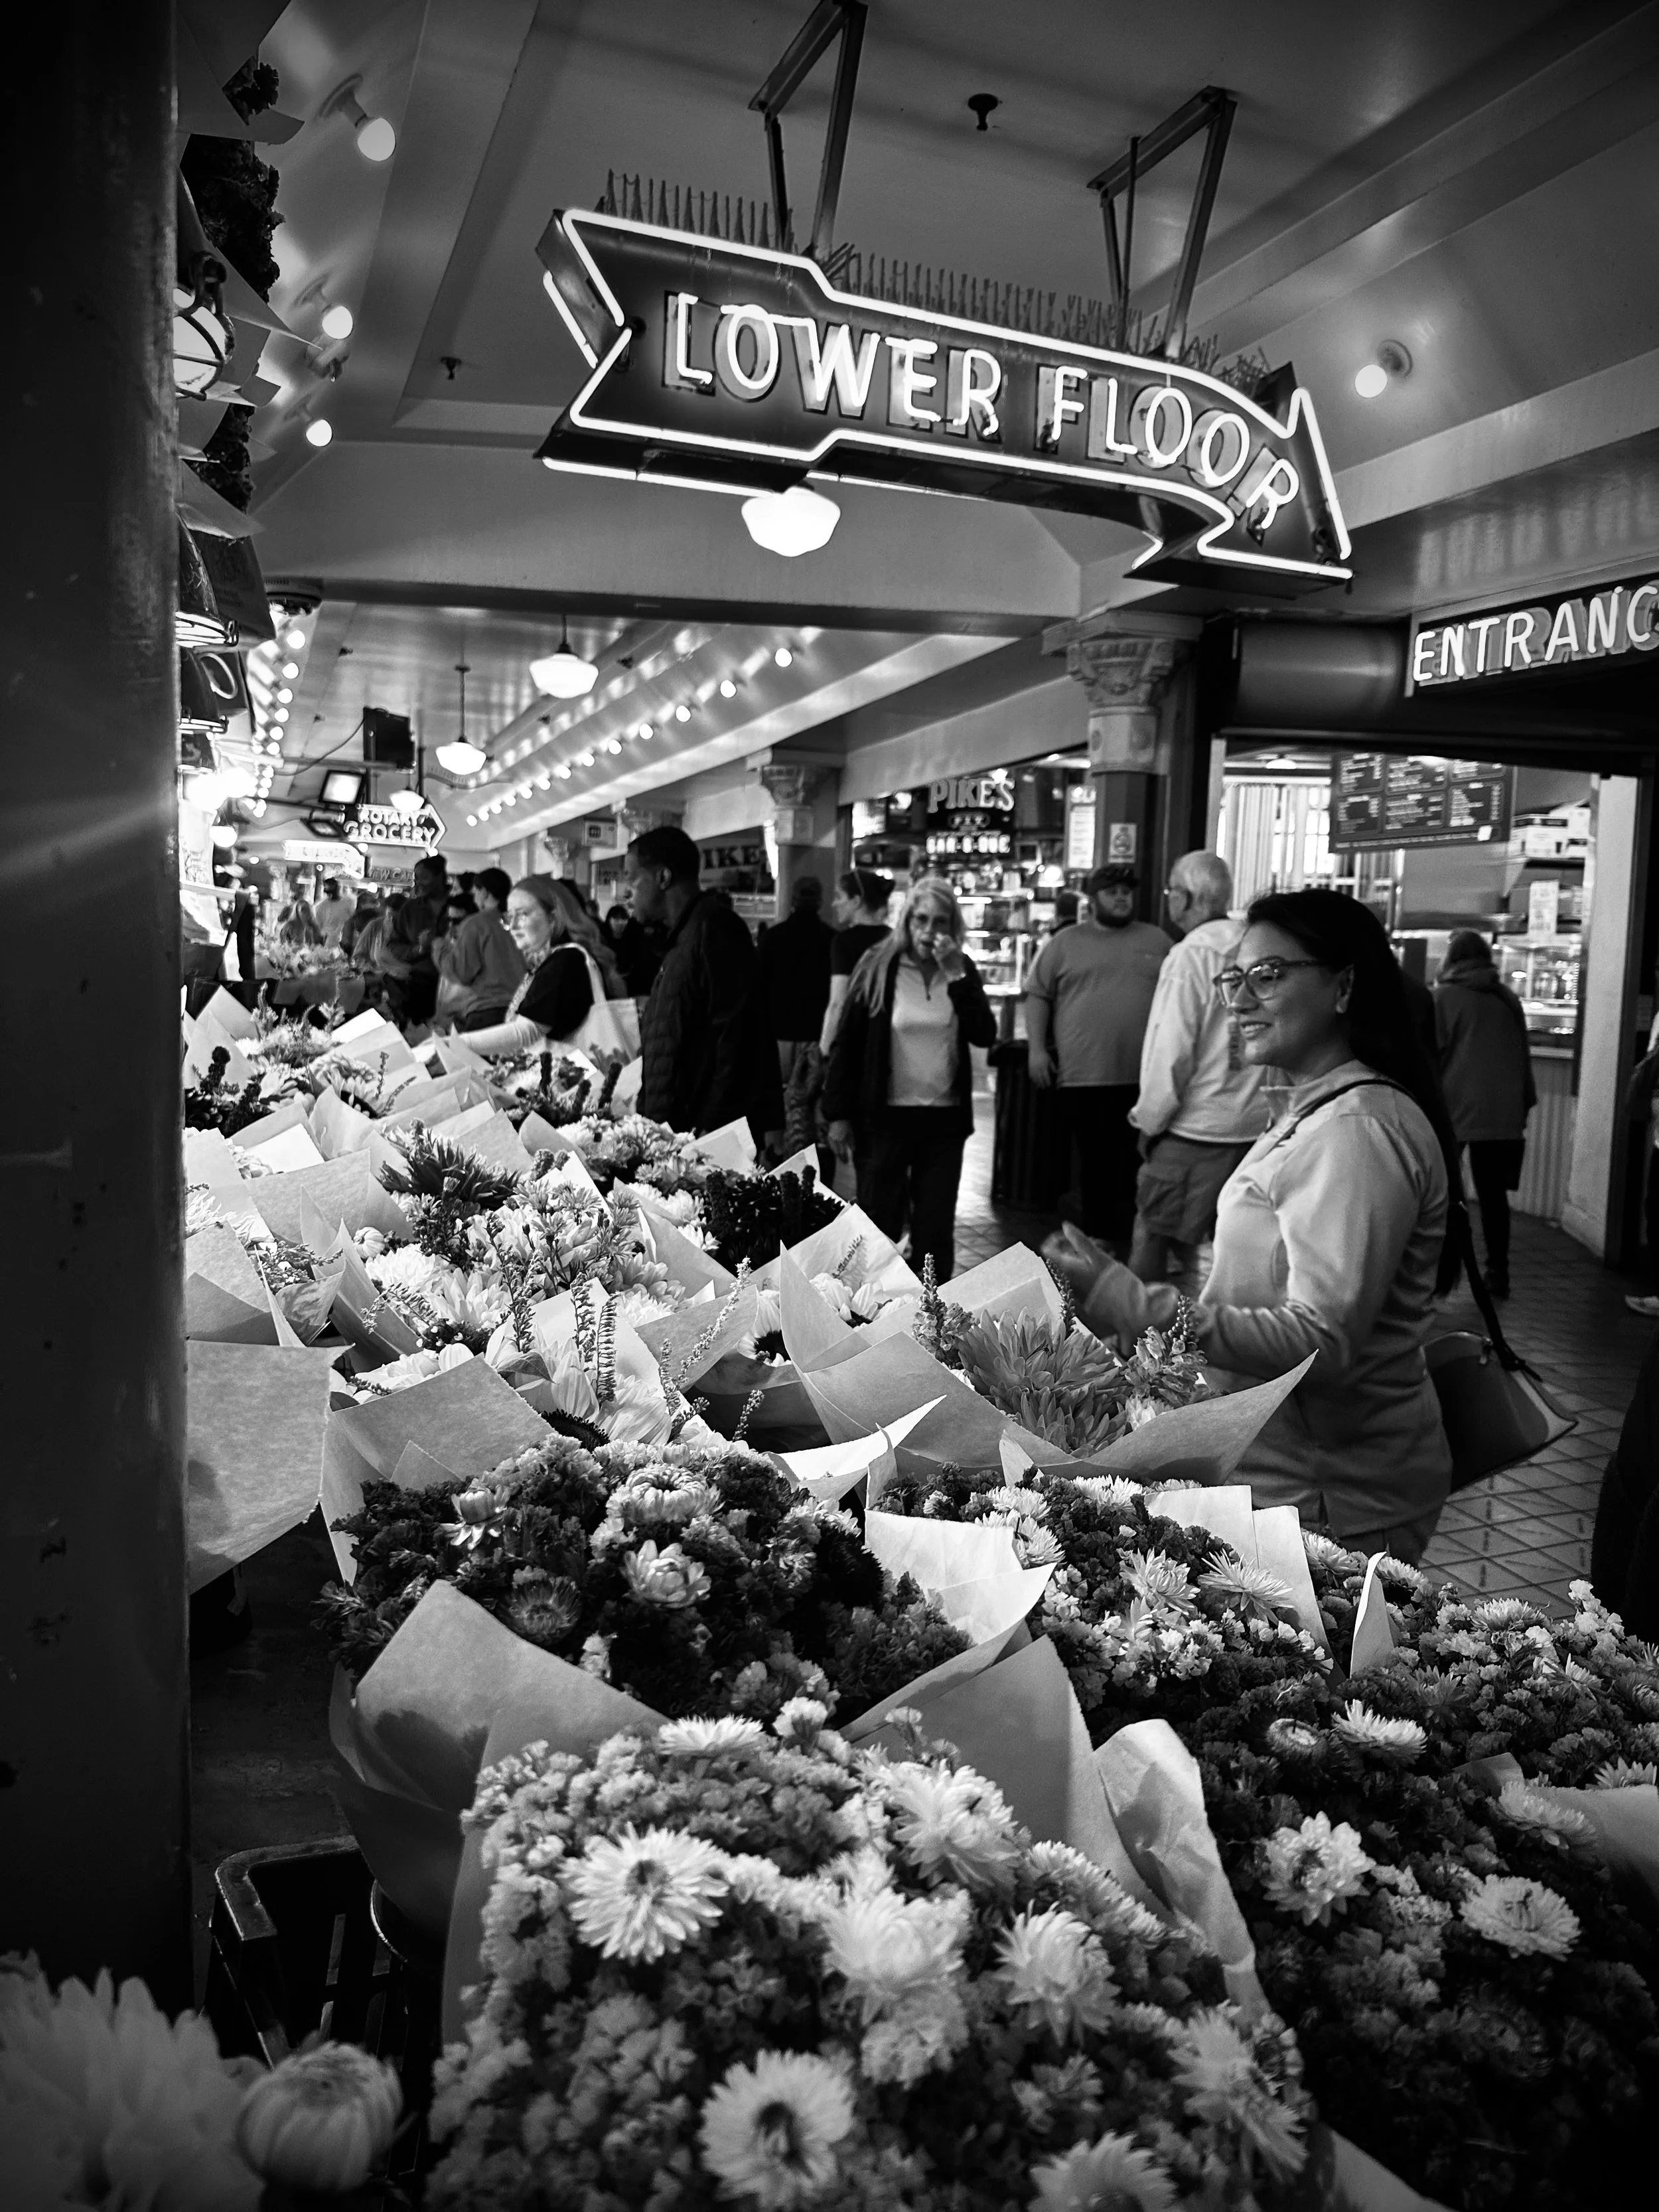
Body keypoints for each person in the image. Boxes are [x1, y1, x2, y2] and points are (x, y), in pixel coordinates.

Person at [1046, 888, 1459, 1562]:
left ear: (1344, 985)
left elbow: (1322, 1341)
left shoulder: (1354, 1131)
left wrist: (1133, 1301)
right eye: (1232, 979)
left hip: (1335, 1489)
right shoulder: (1311, 1109)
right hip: (1280, 1460)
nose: (1237, 1000)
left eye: (1267, 976)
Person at [824, 877, 997, 1282]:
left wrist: (957, 976)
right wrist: (838, 1113)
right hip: (884, 1119)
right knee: (878, 1224)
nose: (930, 931)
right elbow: (847, 1043)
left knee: (934, 1230)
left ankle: (934, 1319)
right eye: (921, 919)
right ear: (906, 921)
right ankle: (874, 1313)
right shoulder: (878, 965)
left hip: (943, 1121)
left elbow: (984, 1033)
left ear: (954, 927)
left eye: (941, 922)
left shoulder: (960, 969)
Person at [1129, 851, 1270, 1295]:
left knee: (1151, 1233)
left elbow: (1171, 1051)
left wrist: (1149, 1122)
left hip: (1195, 1127)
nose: (1169, 898)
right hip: (1255, 1128)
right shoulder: (1258, 946)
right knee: (1241, 1249)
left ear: (1188, 898)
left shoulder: (1191, 956)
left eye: (1172, 890)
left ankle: (1141, 1345)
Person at [1023, 862, 1171, 1246]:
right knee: (1094, 1168)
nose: (1122, 898)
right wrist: (1037, 1050)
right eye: (1112, 892)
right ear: (1094, 899)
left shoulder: (1158, 941)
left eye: (1127, 891)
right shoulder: (1064, 942)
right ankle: (1097, 1242)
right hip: (1083, 1076)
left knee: (1136, 1167)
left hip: (1144, 1078)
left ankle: (1136, 1244)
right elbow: (1038, 994)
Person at [628, 825, 784, 1143]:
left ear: (663, 878)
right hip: (675, 1131)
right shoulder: (682, 938)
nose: (627, 891)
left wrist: (713, 1125)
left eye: (633, 878)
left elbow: (739, 1035)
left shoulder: (715, 928)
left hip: (703, 1137)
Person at [1434, 930, 1535, 1300]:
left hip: (1456, 1108)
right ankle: (1498, 1271)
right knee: (1493, 1197)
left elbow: (1433, 1055)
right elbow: (1523, 1054)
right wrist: (1524, 1103)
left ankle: (1441, 1272)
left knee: (1443, 1192)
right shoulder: (1507, 998)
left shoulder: (1444, 998)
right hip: (1502, 1111)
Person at [461, 875, 623, 1055]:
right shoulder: (563, 958)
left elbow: (526, 1031)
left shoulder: (565, 960)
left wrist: (454, 1044)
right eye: (509, 916)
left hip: (574, 1077)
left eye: (523, 914)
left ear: (554, 917)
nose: (513, 926)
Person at [434, 865, 526, 1032]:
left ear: (485, 892)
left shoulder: (477, 924)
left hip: (487, 1011)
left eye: (476, 892)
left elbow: (461, 972)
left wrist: (439, 949)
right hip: (520, 1010)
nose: (475, 897)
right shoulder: (518, 923)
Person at [820, 869, 893, 1054]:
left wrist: (824, 1050)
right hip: (887, 1037)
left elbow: (838, 1002)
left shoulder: (844, 942)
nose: (834, 904)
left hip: (852, 1041)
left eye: (839, 897)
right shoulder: (893, 939)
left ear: (856, 901)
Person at [380, 853, 449, 1027]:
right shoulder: (410, 909)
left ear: (440, 877)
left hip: (455, 983)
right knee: (418, 1037)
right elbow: (394, 945)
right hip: (421, 984)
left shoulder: (460, 905)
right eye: (416, 877)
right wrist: (419, 949)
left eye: (424, 877)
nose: (418, 882)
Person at [312, 877, 354, 948]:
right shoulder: (321, 906)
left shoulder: (348, 903)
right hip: (328, 944)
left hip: (345, 942)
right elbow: (317, 928)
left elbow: (351, 922)